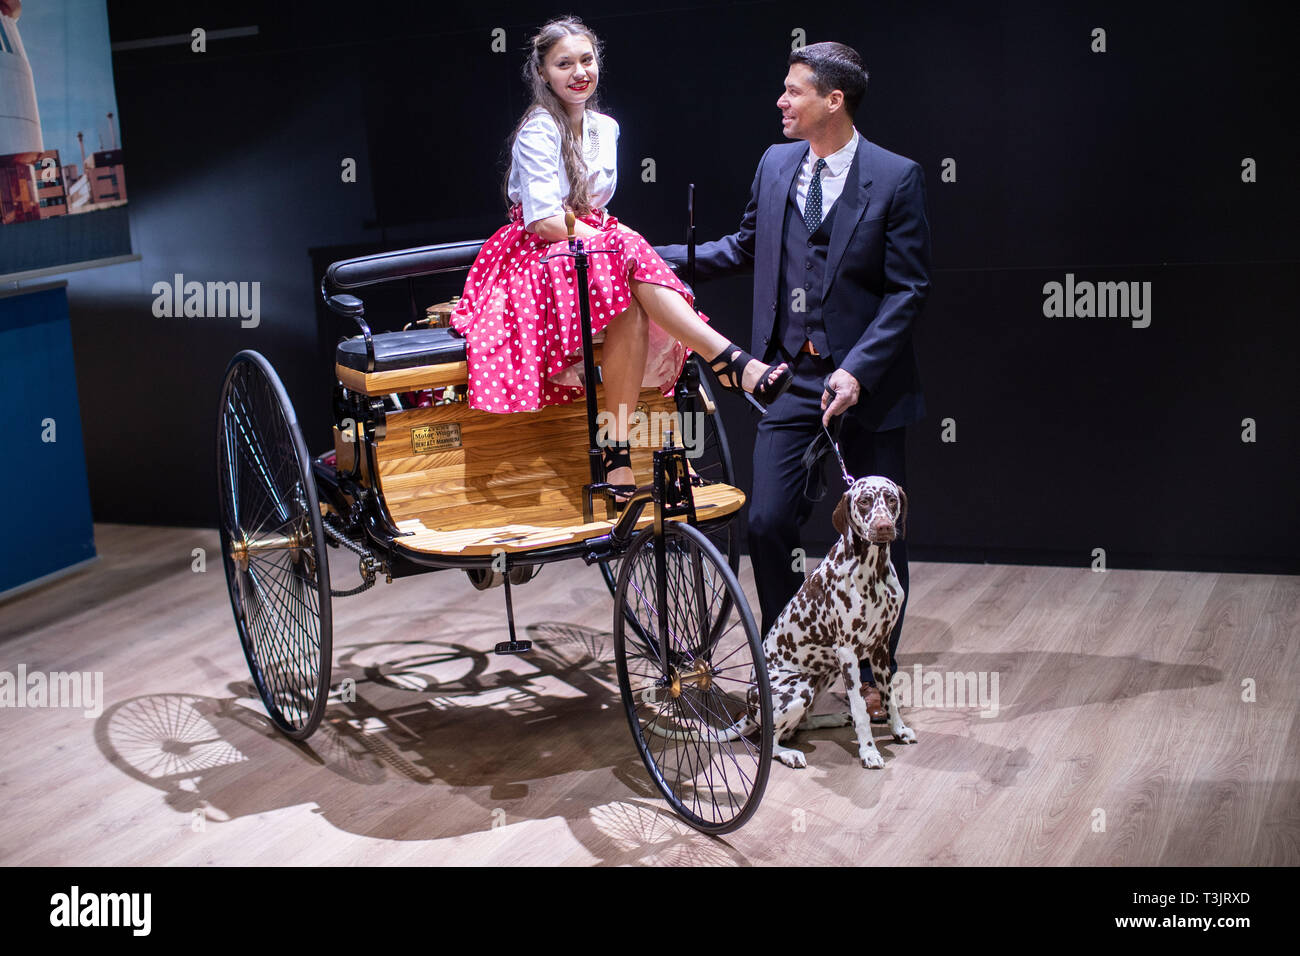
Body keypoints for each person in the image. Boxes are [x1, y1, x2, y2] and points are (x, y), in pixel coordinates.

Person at [657, 41, 931, 717]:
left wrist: (859, 371)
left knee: (877, 538)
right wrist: (642, 260)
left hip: (866, 386)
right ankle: (789, 661)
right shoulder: (776, 164)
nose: (781, 101)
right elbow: (745, 247)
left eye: (793, 91)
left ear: (832, 101)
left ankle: (872, 676)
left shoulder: (896, 178)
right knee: (770, 521)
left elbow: (908, 290)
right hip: (786, 377)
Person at [450, 16, 791, 500]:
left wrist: (609, 239)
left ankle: (616, 451)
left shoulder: (606, 127)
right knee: (629, 247)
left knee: (628, 305)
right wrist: (612, 241)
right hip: (536, 256)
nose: (578, 72)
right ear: (543, 73)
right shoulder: (538, 129)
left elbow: (597, 206)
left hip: (590, 246)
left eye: (586, 60)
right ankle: (729, 360)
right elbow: (545, 221)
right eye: (563, 64)